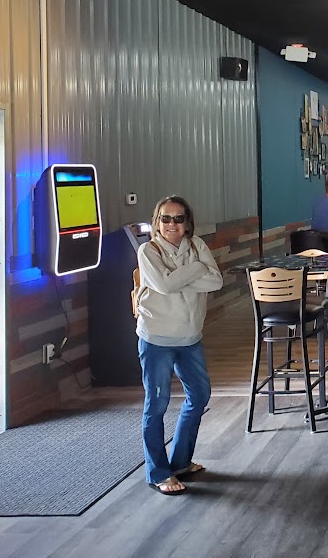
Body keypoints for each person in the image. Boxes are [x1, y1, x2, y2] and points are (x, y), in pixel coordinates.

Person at [136, 195, 223, 495]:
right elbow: (163, 286)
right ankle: (158, 472)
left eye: (178, 218)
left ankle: (181, 461)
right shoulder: (148, 250)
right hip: (156, 338)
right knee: (157, 404)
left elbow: (216, 281)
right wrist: (196, 270)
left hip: (190, 337)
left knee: (199, 395)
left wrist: (177, 278)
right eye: (165, 218)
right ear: (157, 222)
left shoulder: (197, 246)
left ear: (187, 223)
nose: (172, 224)